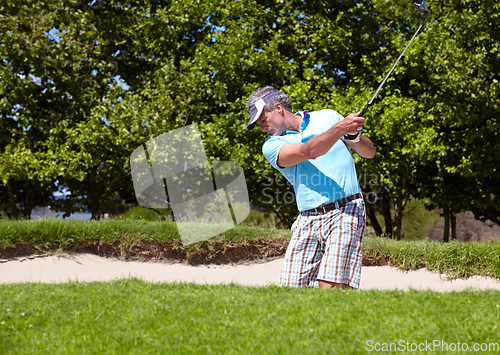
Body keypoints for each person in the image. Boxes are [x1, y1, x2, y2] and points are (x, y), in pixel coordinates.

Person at [246, 86, 375, 289]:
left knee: (330, 287)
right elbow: (309, 151)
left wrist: (354, 138)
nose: (262, 126)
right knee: (292, 292)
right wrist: (340, 129)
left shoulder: (328, 117)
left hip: (346, 210)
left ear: (278, 108)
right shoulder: (271, 145)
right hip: (307, 219)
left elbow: (369, 152)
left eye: (263, 119)